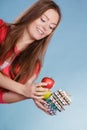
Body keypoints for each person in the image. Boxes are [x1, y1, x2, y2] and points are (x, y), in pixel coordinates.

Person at [0, 0, 61, 114]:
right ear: (32, 14)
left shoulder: (34, 66)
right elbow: (22, 89)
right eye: (43, 20)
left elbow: (1, 97)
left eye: (51, 27)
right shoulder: (1, 29)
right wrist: (23, 89)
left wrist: (32, 94)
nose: (45, 28)